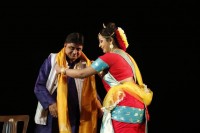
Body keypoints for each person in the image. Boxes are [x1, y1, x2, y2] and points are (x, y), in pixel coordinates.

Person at [55, 22, 153, 133]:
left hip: (123, 106)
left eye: (101, 41)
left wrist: (62, 70)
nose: (99, 45)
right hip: (139, 107)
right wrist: (99, 73)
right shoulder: (127, 57)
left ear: (110, 41)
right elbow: (117, 81)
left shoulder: (110, 57)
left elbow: (81, 74)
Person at [34, 32, 102, 133]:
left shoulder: (85, 64)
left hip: (74, 114)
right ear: (65, 45)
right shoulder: (53, 60)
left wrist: (98, 103)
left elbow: (91, 89)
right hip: (52, 113)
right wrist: (50, 103)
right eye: (72, 48)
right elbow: (39, 86)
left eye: (79, 49)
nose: (75, 52)